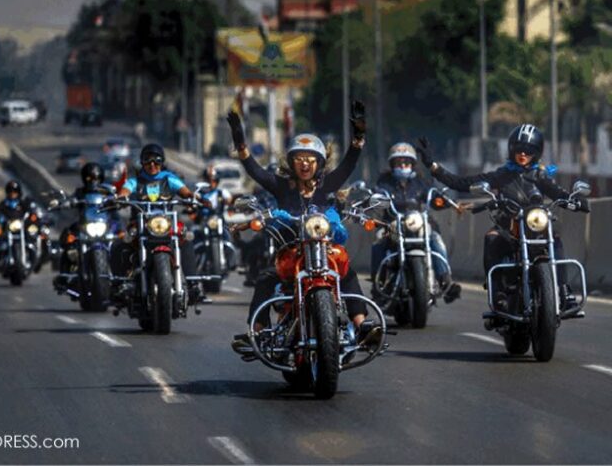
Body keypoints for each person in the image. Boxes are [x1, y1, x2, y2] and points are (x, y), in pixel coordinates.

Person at [228, 100, 381, 352]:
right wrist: (241, 144)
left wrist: (359, 137)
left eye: (311, 159)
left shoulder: (326, 186)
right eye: (299, 158)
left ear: (319, 163)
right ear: (291, 162)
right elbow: (255, 170)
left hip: (323, 251)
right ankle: (256, 332)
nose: (305, 163)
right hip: (291, 252)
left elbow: (348, 166)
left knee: (347, 271)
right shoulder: (281, 186)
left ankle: (362, 325)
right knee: (266, 278)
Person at [415, 124, 590, 312]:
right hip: (508, 226)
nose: (523, 153)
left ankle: (563, 291)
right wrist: (433, 166)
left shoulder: (541, 176)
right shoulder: (502, 175)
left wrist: (577, 201)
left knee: (555, 240)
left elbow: (558, 193)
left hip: (536, 227)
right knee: (491, 238)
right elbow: (461, 183)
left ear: (536, 152)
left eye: (529, 150)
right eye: (519, 149)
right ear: (511, 149)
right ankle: (497, 290)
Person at [112, 143, 208, 304]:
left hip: (166, 223)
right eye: (148, 161)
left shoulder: (169, 178)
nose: (152, 165)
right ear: (142, 162)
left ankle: (192, 283)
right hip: (140, 223)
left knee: (186, 238)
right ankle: (120, 283)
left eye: (156, 161)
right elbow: (126, 190)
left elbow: (185, 191)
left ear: (162, 162)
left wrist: (194, 198)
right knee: (120, 244)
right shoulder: (135, 181)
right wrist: (121, 197)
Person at [370, 142, 462, 303]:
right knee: (378, 242)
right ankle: (379, 286)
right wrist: (372, 200)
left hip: (418, 224)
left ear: (412, 164)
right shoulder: (384, 182)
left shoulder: (421, 181)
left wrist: (444, 201)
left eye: (406, 162)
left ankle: (445, 282)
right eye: (399, 162)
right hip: (392, 224)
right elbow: (376, 198)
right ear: (392, 164)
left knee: (435, 239)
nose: (403, 165)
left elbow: (433, 197)